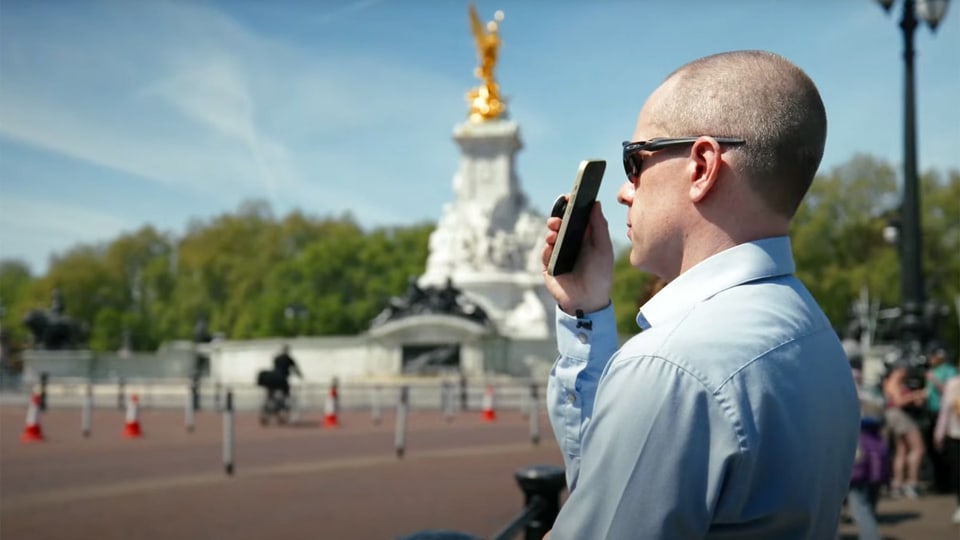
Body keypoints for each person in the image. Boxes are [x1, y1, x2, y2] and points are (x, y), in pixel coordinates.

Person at [540, 50, 860, 539]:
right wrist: (586, 310)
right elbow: (610, 490)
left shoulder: (670, 365)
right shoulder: (814, 333)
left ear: (702, 166)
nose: (627, 191)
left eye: (637, 159)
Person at [882, 361, 926, 499]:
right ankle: (911, 483)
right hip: (898, 415)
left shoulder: (894, 381)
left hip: (894, 416)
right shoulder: (894, 381)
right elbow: (899, 401)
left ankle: (898, 484)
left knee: (902, 450)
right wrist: (916, 395)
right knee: (918, 448)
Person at [924, 341, 958, 493]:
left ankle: (949, 484)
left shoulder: (949, 371)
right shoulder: (932, 371)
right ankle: (939, 482)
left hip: (946, 415)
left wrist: (934, 380)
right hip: (932, 413)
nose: (930, 358)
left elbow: (949, 392)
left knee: (947, 452)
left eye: (933, 354)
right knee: (933, 451)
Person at [933, 360, 960, 524]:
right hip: (956, 436)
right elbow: (945, 412)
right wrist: (939, 434)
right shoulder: (952, 385)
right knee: (958, 473)